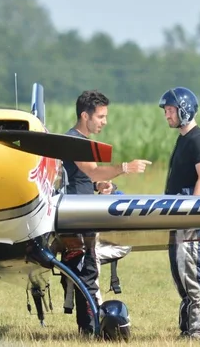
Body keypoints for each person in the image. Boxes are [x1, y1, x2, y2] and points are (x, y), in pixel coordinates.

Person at [62, 89, 151, 336]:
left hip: (81, 214)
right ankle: (90, 330)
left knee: (85, 272)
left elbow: (83, 178)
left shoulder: (80, 141)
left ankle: (87, 328)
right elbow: (93, 172)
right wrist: (124, 168)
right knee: (87, 272)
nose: (104, 122)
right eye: (100, 116)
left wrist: (98, 186)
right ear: (85, 116)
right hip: (78, 219)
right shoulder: (76, 141)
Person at [159, 86, 200, 341]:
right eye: (167, 111)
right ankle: (187, 328)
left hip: (188, 214)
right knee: (180, 271)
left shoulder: (199, 139)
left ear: (184, 110)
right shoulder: (183, 139)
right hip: (176, 214)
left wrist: (193, 215)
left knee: (192, 271)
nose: (167, 115)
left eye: (170, 110)